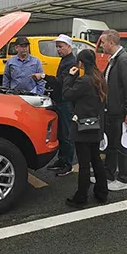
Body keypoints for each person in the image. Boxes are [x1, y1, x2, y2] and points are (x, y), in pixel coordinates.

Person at [62, 49, 108, 208]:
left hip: (82, 126)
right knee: (96, 160)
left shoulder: (84, 80)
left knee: (84, 164)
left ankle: (81, 197)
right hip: (96, 125)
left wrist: (70, 76)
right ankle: (102, 192)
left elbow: (67, 94)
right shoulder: (99, 78)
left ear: (81, 63)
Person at [97, 29, 127, 191]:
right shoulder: (113, 60)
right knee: (112, 145)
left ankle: (124, 179)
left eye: (103, 43)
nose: (101, 46)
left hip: (121, 113)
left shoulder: (123, 61)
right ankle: (108, 175)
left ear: (111, 43)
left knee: (122, 146)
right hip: (111, 111)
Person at [31, 34, 76, 177]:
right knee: (61, 132)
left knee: (66, 133)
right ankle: (62, 160)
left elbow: (62, 82)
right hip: (60, 99)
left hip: (66, 101)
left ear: (69, 46)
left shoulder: (71, 62)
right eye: (57, 47)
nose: (58, 49)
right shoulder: (65, 60)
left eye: (61, 47)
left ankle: (67, 164)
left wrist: (43, 77)